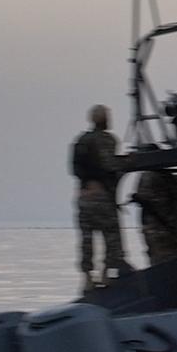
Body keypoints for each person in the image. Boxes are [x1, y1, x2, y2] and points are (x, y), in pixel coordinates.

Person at [70, 103, 132, 290]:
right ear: (104, 120)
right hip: (102, 196)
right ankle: (106, 274)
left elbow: (74, 168)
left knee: (86, 238)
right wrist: (129, 161)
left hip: (83, 196)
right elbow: (109, 165)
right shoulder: (107, 140)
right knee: (111, 234)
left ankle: (88, 278)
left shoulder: (81, 141)